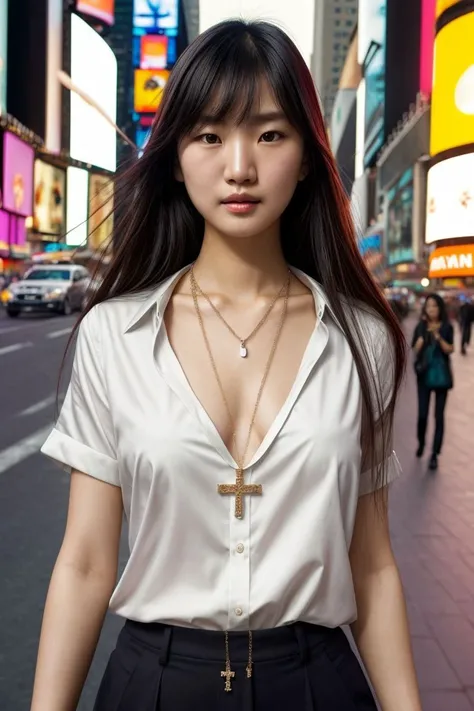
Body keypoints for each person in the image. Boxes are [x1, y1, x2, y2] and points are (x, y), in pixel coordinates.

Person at [31, 20, 422, 711]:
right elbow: (86, 562)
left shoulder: (363, 340)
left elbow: (372, 564)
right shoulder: (113, 335)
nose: (239, 166)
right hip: (154, 681)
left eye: (270, 134)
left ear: (306, 155)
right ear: (176, 154)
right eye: (209, 135)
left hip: (316, 682)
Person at [412, 293, 454, 471]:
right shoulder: (420, 326)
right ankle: (421, 442)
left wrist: (438, 336)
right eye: (428, 306)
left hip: (442, 376)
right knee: (422, 414)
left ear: (440, 308)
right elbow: (414, 349)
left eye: (435, 306)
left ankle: (435, 453)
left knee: (439, 417)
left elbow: (450, 349)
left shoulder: (447, 327)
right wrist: (421, 341)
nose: (431, 309)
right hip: (424, 376)